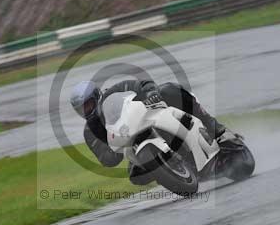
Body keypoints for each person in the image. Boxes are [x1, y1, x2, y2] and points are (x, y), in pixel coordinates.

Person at [70, 79, 240, 185]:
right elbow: (105, 159)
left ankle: (215, 128)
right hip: (133, 145)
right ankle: (170, 170)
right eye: (82, 109)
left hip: (147, 117)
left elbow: (142, 84)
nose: (87, 111)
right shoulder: (90, 132)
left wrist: (151, 93)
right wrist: (113, 150)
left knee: (169, 89)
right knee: (135, 176)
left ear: (96, 96)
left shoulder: (114, 91)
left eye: (88, 105)